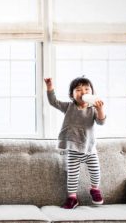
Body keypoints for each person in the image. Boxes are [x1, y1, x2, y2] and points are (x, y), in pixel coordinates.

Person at [44, 76, 106, 209]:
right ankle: (72, 197)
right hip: (73, 149)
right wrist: (50, 88)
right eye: (78, 89)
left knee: (96, 172)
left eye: (86, 89)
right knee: (72, 176)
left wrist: (100, 109)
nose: (83, 92)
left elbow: (101, 122)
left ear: (92, 93)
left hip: (89, 149)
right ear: (72, 95)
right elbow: (53, 102)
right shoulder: (69, 107)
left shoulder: (93, 109)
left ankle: (95, 189)